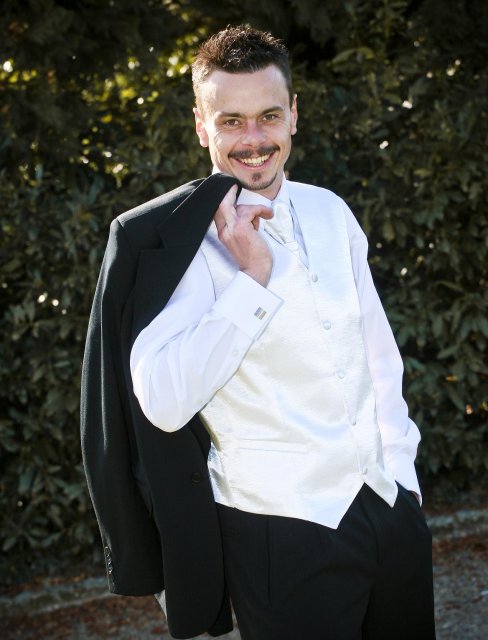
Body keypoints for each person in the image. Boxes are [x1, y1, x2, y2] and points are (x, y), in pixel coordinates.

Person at [81, 25, 436, 640]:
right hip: (279, 534)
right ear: (202, 126)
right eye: (232, 121)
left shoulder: (330, 210)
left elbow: (378, 356)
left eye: (268, 116)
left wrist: (402, 474)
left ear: (293, 114)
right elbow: (162, 403)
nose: (254, 140)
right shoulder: (169, 247)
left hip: (389, 509)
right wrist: (252, 282)